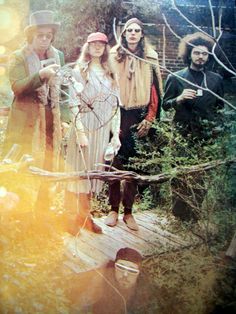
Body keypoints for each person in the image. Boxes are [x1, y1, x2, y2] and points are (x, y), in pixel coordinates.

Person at [4, 10, 69, 211]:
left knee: (48, 163)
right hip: (26, 123)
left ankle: (42, 212)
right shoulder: (18, 57)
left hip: (50, 121)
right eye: (39, 35)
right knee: (21, 165)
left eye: (48, 36)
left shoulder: (58, 56)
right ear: (31, 36)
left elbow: (63, 90)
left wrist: (64, 119)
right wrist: (40, 75)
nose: (44, 39)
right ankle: (18, 213)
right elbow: (18, 87)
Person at [105, 18, 163, 231]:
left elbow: (155, 91)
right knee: (114, 161)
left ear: (141, 34)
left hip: (139, 114)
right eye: (129, 30)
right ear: (123, 33)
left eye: (136, 30)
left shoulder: (150, 57)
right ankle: (113, 209)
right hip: (116, 112)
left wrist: (149, 118)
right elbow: (106, 86)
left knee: (133, 165)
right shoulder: (112, 55)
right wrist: (110, 120)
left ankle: (128, 212)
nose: (132, 34)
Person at [162, 32, 224, 220]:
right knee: (180, 173)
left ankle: (194, 215)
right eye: (197, 53)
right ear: (189, 54)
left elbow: (220, 109)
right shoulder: (177, 77)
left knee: (202, 175)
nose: (200, 57)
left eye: (204, 54)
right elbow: (165, 105)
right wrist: (179, 99)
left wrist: (216, 131)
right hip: (182, 134)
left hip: (206, 136)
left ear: (208, 56)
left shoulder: (215, 80)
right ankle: (179, 215)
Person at [64, 32, 121, 235]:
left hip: (101, 129)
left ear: (106, 48)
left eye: (101, 44)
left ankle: (85, 217)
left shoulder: (110, 73)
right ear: (87, 46)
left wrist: (114, 136)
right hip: (83, 126)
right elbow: (72, 103)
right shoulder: (79, 71)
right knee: (78, 174)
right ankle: (71, 218)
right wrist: (79, 132)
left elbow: (116, 105)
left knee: (93, 174)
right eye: (93, 44)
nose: (97, 47)